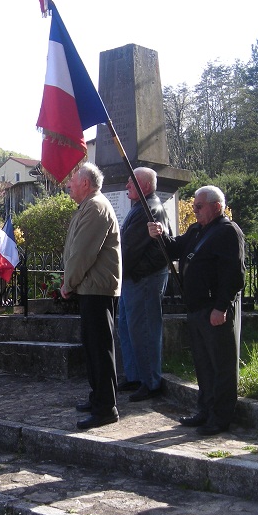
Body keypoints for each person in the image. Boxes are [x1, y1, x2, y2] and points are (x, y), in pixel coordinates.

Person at [148, 185, 245, 436]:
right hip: (197, 308)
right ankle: (205, 410)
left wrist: (221, 307)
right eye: (193, 206)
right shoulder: (197, 230)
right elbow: (175, 248)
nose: (195, 210)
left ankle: (220, 417)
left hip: (215, 309)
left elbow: (234, 275)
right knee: (203, 364)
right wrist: (159, 235)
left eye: (199, 206)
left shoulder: (227, 232)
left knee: (221, 364)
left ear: (216, 206)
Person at [60, 163, 122, 430]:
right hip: (91, 287)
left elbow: (83, 252)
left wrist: (68, 282)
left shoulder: (96, 207)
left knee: (100, 349)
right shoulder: (88, 206)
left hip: (97, 288)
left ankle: (106, 408)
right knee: (93, 347)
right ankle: (98, 397)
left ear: (85, 183)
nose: (69, 185)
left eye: (73, 181)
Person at [118, 167, 172, 402]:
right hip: (133, 278)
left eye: (132, 182)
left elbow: (130, 248)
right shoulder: (139, 207)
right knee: (128, 328)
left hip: (143, 278)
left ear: (145, 186)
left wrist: (120, 271)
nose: (127, 185)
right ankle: (135, 376)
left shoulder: (149, 209)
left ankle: (150, 381)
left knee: (145, 329)